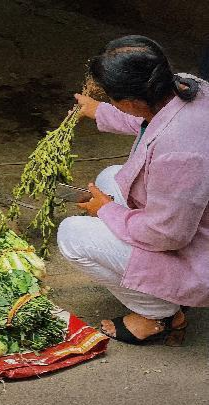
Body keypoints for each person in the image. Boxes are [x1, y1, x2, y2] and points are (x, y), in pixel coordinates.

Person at [58, 35, 209, 345]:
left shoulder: (180, 152)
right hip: (192, 220)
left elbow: (168, 235)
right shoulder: (188, 87)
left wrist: (106, 210)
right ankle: (160, 293)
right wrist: (98, 110)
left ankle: (160, 314)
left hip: (196, 250)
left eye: (113, 99)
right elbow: (149, 120)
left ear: (130, 102)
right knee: (110, 176)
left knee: (72, 235)